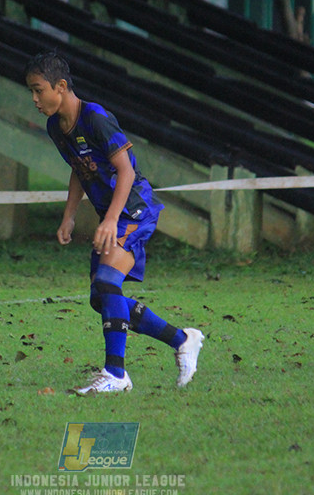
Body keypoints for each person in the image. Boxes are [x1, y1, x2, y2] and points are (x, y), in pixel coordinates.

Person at [24, 51, 204, 395]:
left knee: (107, 284)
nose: (34, 99)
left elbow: (126, 170)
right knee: (101, 298)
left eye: (38, 90)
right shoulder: (55, 126)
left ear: (60, 87)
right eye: (31, 92)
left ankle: (116, 374)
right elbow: (80, 169)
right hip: (113, 214)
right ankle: (182, 339)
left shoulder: (95, 118)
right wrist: (70, 215)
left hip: (135, 209)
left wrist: (108, 221)